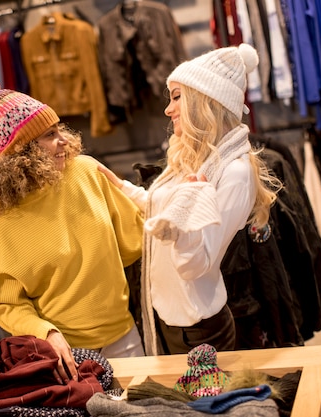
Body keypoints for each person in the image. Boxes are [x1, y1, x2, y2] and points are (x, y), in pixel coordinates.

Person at [97, 43, 282, 356]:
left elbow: (197, 266)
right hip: (169, 317)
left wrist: (182, 224)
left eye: (177, 96)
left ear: (206, 99)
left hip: (199, 329)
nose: (168, 110)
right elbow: (169, 211)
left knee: (200, 406)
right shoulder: (194, 157)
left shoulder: (234, 172)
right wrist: (127, 190)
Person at [0, 77, 145, 383]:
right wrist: (45, 332)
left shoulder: (88, 172)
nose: (63, 140)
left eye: (59, 130)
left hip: (125, 337)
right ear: (21, 153)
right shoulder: (0, 224)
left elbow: (135, 243)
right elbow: (4, 303)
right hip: (66, 357)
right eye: (50, 135)